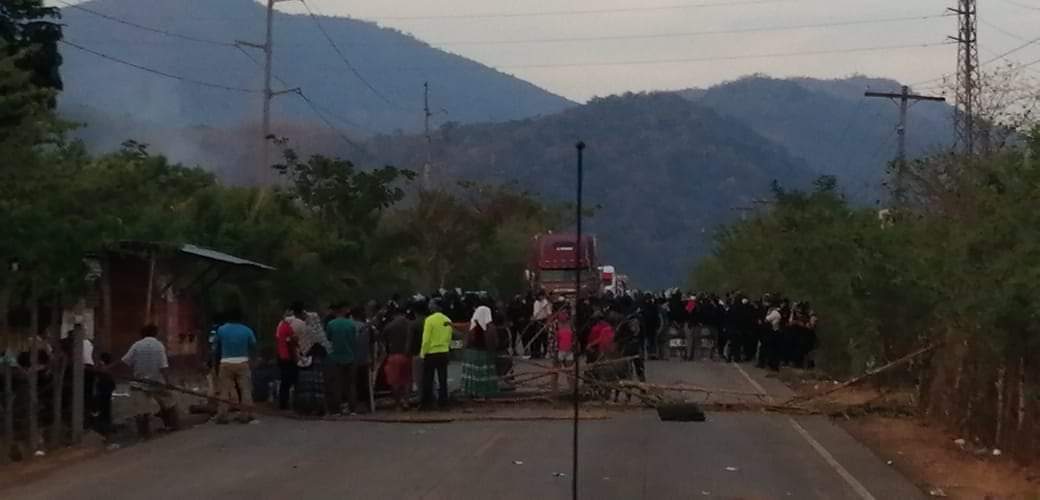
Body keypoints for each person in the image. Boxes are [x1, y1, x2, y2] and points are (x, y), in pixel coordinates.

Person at [121, 324, 178, 437]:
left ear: (142, 334)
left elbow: (125, 361)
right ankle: (172, 426)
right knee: (169, 402)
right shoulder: (159, 346)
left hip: (139, 382)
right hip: (156, 381)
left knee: (141, 410)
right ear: (156, 333)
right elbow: (163, 366)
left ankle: (144, 434)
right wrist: (168, 382)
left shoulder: (137, 345)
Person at [214, 307, 257, 424]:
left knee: (224, 391)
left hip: (226, 362)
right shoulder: (247, 330)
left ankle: (222, 416)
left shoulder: (221, 330)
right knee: (245, 390)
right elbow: (253, 344)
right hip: (242, 362)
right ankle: (246, 415)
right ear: (241, 318)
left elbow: (216, 346)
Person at [420, 300, 453, 410]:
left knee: (428, 379)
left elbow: (426, 339)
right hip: (443, 352)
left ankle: (427, 403)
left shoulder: (429, 320)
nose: (429, 306)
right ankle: (443, 402)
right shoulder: (447, 320)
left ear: (436, 307)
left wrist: (422, 353)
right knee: (443, 379)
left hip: (431, 353)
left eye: (431, 304)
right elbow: (449, 337)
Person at [325, 303, 358, 415]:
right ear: (343, 311)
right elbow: (354, 340)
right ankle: (352, 409)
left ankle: (336, 410)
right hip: (350, 356)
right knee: (351, 384)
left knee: (337, 384)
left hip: (335, 357)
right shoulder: (351, 324)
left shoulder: (331, 324)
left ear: (335, 312)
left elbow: (328, 339)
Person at [461, 305, 499, 398]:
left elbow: (465, 341)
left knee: (472, 375)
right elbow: (494, 342)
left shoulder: (471, 325)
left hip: (471, 354)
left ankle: (471, 392)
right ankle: (485, 393)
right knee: (484, 375)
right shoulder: (490, 327)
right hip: (485, 354)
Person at [381, 307, 412, 409]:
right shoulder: (409, 324)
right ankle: (406, 402)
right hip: (407, 355)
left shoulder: (389, 326)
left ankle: (397, 404)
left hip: (393, 355)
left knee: (395, 381)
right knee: (407, 380)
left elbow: (382, 340)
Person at [274, 304, 304, 410]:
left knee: (284, 381)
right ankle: (298, 404)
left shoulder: (281, 324)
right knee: (297, 380)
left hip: (282, 355)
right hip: (295, 355)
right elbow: (302, 340)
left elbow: (278, 338)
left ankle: (283, 404)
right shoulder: (301, 323)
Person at [93, 352, 116, 435]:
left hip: (102, 391)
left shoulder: (102, 369)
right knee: (106, 410)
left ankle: (104, 428)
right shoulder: (106, 370)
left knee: (103, 410)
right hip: (106, 392)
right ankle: (106, 428)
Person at [529, 291, 552, 359]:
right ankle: (537, 353)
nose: (541, 297)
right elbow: (535, 312)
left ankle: (546, 352)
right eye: (539, 296)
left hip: (543, 321)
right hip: (536, 321)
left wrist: (547, 323)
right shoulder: (536, 302)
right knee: (537, 338)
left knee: (544, 338)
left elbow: (549, 313)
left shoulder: (546, 302)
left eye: (542, 296)